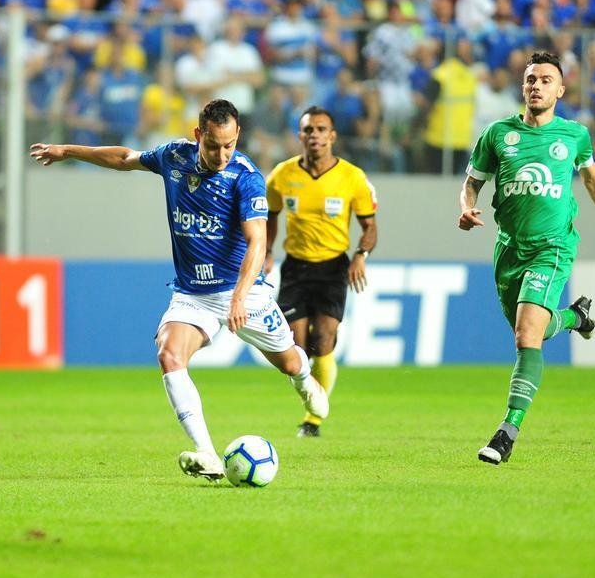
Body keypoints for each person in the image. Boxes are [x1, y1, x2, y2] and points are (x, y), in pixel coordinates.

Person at [29, 99, 328, 480]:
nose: (222, 154)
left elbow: (257, 241)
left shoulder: (245, 177)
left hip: (244, 293)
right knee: (169, 354)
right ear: (199, 135)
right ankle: (207, 454)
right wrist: (68, 151)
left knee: (288, 361)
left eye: (230, 145)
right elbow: (124, 158)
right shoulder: (173, 157)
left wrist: (239, 297)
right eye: (214, 145)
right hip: (192, 295)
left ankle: (304, 380)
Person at [458, 50, 595, 466]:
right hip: (508, 249)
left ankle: (507, 431)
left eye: (544, 80)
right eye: (530, 79)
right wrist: (466, 206)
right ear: (523, 87)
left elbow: (592, 179)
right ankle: (575, 316)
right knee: (529, 333)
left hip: (552, 246)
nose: (535, 85)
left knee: (526, 336)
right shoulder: (497, 134)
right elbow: (472, 183)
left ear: (560, 89)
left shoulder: (573, 135)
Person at [264, 106, 378, 438]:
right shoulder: (281, 176)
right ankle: (311, 395)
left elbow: (369, 227)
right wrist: (267, 251)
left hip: (332, 267)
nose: (314, 135)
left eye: (321, 129)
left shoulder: (352, 177)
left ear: (332, 136)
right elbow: (269, 216)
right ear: (300, 136)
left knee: (324, 339)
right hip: (296, 267)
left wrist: (360, 255)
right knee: (297, 348)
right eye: (308, 130)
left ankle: (313, 420)